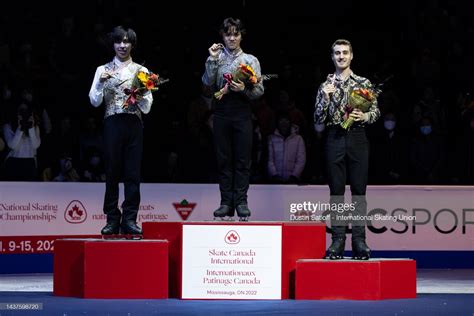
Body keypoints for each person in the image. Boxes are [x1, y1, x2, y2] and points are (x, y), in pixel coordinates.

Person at [314, 39, 380, 260]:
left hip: (358, 138)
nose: (341, 56)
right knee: (337, 193)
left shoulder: (363, 83)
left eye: (345, 53)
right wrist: (324, 98)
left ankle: (359, 241)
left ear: (352, 56)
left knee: (359, 191)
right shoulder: (325, 85)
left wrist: (365, 115)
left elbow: (376, 112)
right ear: (332, 57)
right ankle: (337, 241)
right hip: (334, 137)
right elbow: (317, 119)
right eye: (337, 53)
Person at [89, 26, 153, 237]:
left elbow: (147, 107)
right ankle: (111, 219)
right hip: (112, 124)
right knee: (112, 173)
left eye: (127, 42)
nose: (122, 46)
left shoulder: (142, 72)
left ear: (132, 44)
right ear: (113, 44)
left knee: (132, 174)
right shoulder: (102, 69)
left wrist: (140, 93)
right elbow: (94, 101)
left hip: (134, 124)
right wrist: (100, 83)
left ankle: (130, 219)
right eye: (119, 42)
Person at [202, 17, 264, 221]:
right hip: (221, 112)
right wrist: (211, 59)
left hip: (242, 112)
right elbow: (207, 84)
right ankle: (225, 203)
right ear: (222, 35)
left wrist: (244, 89)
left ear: (241, 35)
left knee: (243, 159)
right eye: (228, 34)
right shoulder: (215, 57)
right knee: (224, 159)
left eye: (236, 34)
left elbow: (259, 91)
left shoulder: (250, 60)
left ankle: (241, 202)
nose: (232, 38)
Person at [267, 111, 306, 184]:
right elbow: (269, 160)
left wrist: (294, 176)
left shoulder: (298, 139)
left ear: (290, 122)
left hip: (294, 182)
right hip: (275, 181)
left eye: (286, 120)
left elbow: (301, 160)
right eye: (281, 120)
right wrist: (274, 175)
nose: (284, 123)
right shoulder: (271, 139)